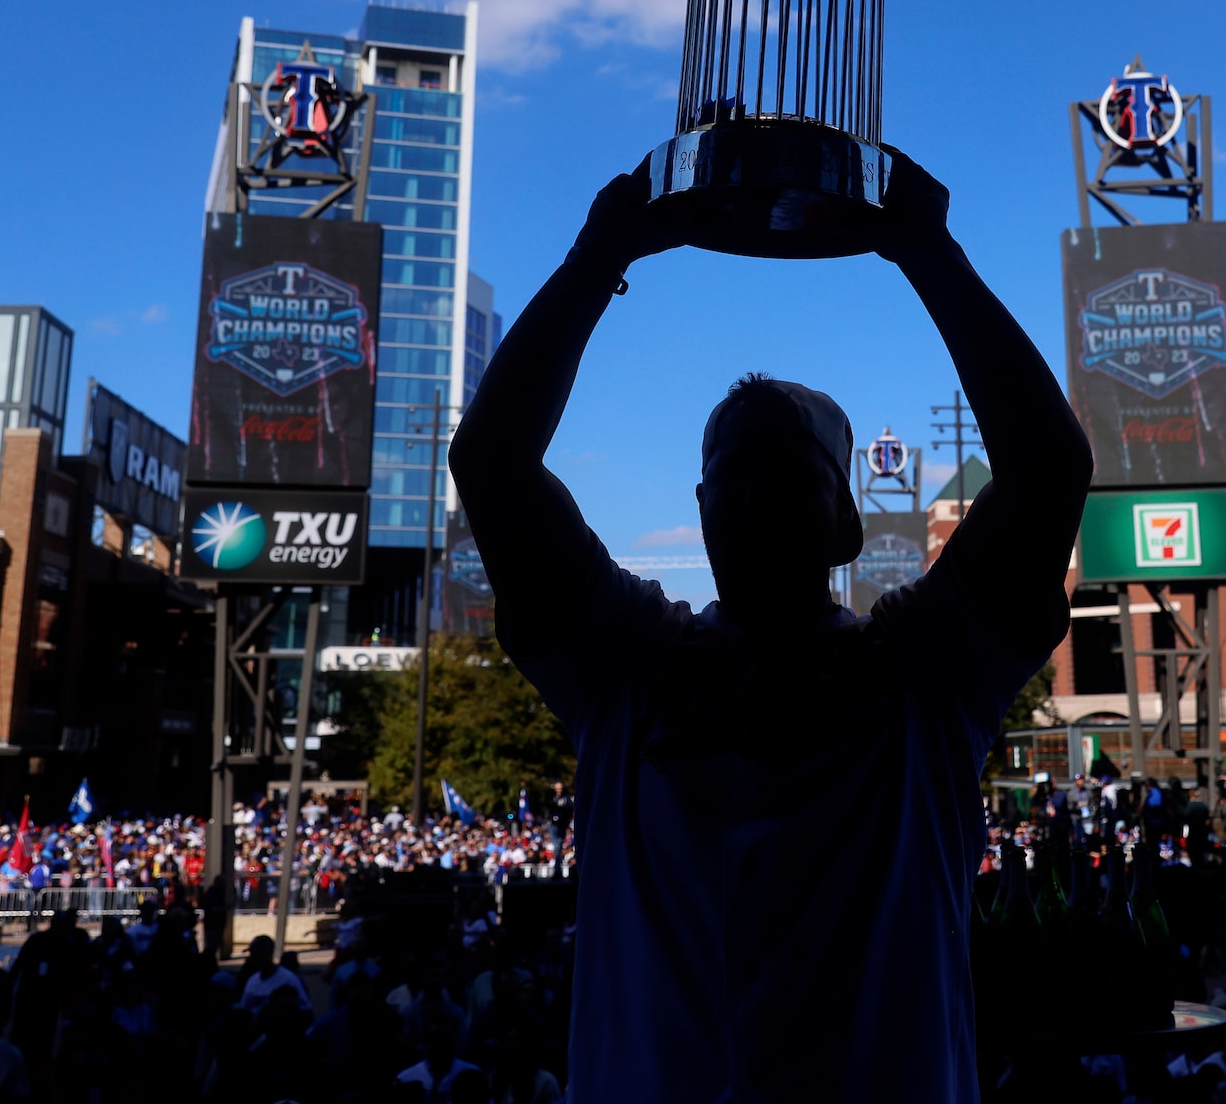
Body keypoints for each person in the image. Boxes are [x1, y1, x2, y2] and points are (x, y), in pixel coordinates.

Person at [448, 154, 1092, 1103]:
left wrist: (928, 253)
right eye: (728, 476)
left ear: (846, 523)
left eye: (784, 471)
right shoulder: (626, 663)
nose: (749, 496)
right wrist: (599, 254)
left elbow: (1046, 469)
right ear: (701, 510)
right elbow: (491, 462)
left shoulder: (923, 671)